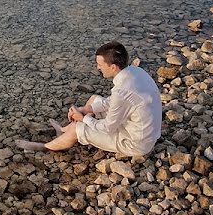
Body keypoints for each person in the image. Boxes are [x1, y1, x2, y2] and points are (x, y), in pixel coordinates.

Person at [16, 41, 162, 157]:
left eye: (100, 64)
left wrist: (83, 119)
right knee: (94, 100)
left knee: (77, 129)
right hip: (142, 130)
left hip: (135, 143)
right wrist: (86, 110)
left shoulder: (122, 91)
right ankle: (62, 130)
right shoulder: (135, 72)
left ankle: (45, 147)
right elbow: (118, 101)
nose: (98, 68)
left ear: (113, 67)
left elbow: (108, 127)